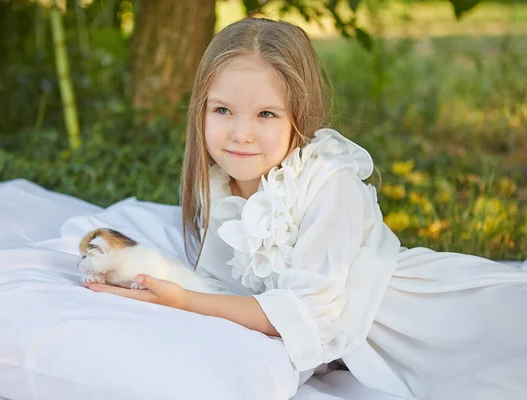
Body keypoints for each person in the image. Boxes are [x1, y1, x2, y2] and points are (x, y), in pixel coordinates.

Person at [84, 17, 527, 400]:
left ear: (301, 114)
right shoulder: (218, 188)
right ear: (200, 110)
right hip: (367, 351)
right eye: (223, 110)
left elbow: (308, 314)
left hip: (432, 323)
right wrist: (138, 271)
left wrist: (185, 301)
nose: (240, 133)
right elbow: (225, 292)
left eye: (266, 115)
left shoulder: (330, 183)